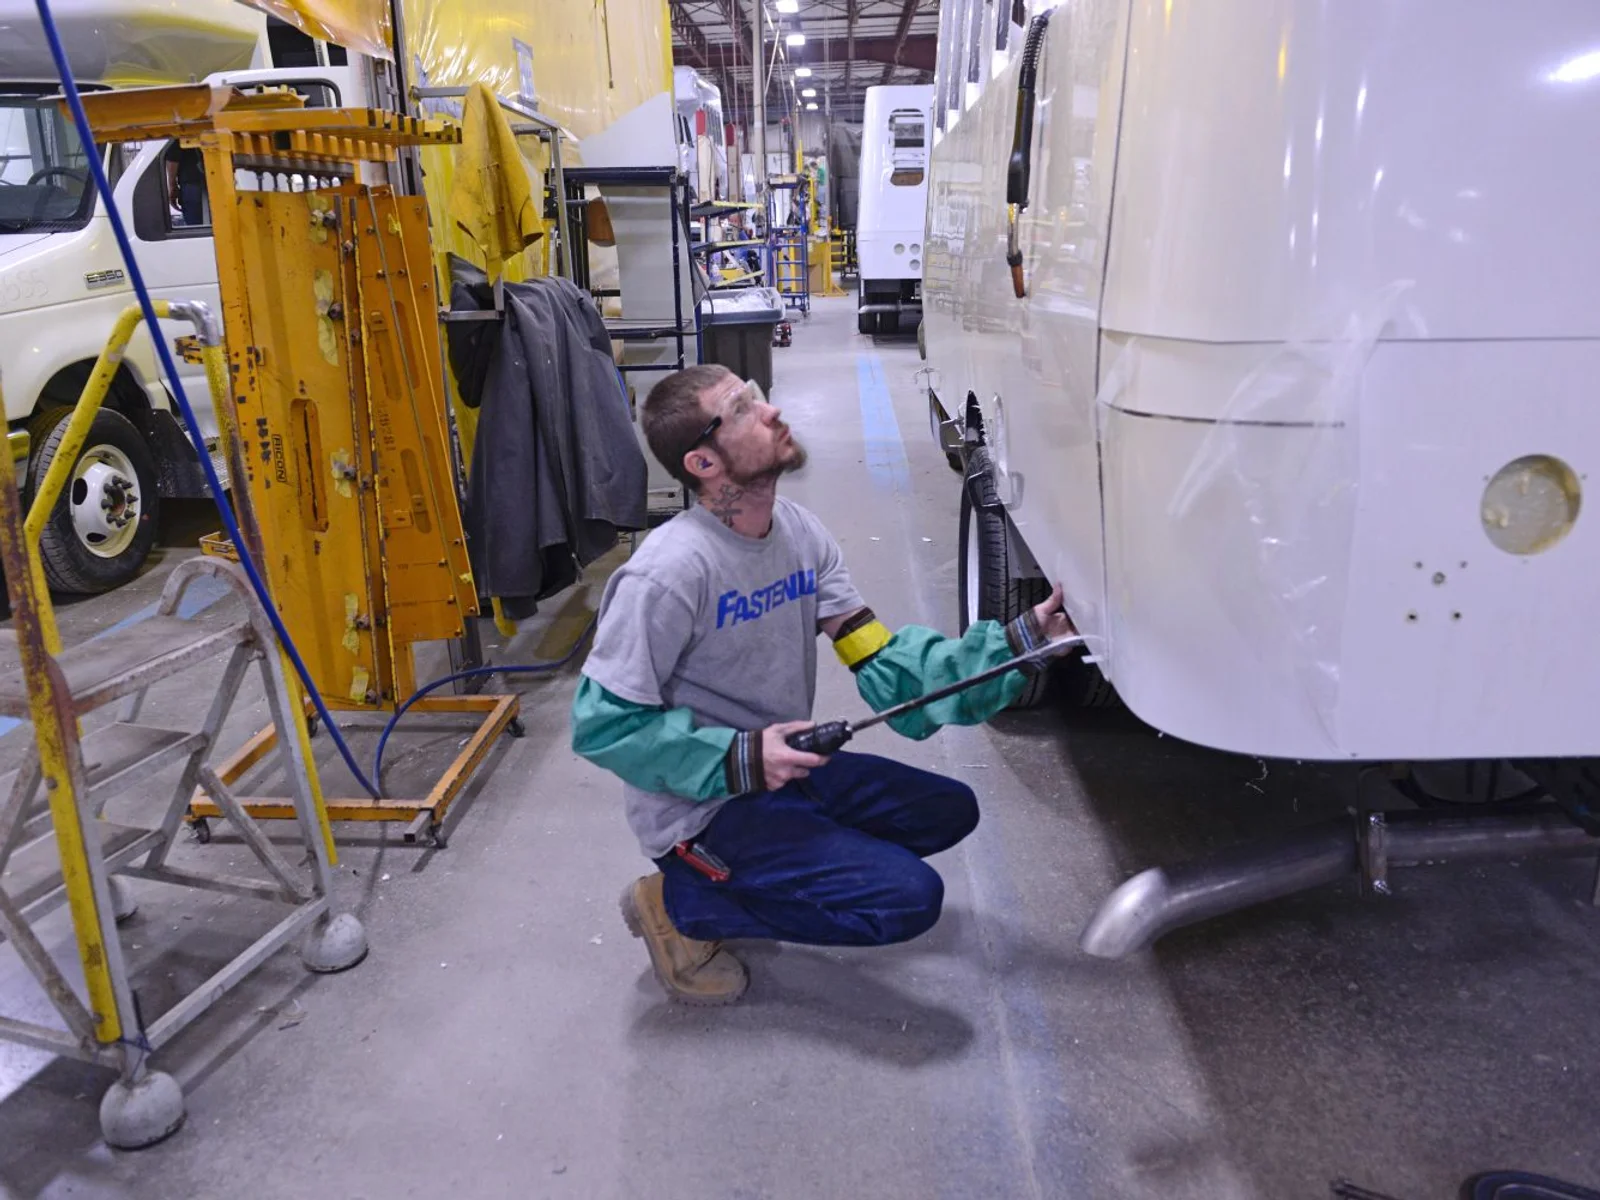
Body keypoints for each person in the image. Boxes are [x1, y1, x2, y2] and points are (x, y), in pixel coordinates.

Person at [569, 364, 1075, 1005]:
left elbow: (886, 667)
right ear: (703, 462)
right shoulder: (667, 575)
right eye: (744, 409)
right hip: (704, 807)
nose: (772, 412)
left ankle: (772, 867)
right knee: (907, 901)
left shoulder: (800, 536)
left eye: (758, 396)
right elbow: (602, 724)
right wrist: (741, 757)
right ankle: (680, 902)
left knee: (950, 809)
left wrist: (1019, 642)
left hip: (785, 770)